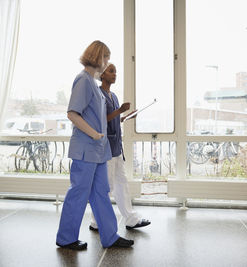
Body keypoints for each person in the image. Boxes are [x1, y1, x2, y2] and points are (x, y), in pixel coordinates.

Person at [56, 41, 134, 250]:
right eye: (106, 58)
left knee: (101, 193)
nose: (107, 63)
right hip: (86, 149)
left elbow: (97, 117)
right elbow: (72, 113)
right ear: (98, 57)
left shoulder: (92, 83)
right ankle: (66, 238)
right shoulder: (83, 80)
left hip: (99, 151)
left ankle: (110, 236)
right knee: (79, 193)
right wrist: (95, 134)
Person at [89, 63, 151, 232]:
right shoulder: (98, 94)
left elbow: (114, 119)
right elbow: (101, 119)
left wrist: (125, 116)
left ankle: (131, 219)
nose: (115, 74)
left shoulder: (114, 96)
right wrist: (119, 111)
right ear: (102, 75)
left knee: (122, 183)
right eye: (111, 71)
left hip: (116, 148)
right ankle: (95, 222)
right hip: (105, 148)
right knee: (105, 186)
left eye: (115, 71)